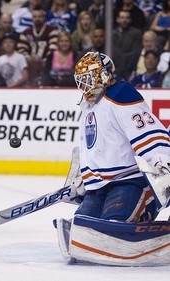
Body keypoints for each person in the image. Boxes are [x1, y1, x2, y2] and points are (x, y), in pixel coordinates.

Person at [55, 51, 170, 265]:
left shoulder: (120, 94)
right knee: (83, 225)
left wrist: (163, 163)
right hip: (99, 188)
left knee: (113, 224)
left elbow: (148, 133)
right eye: (81, 81)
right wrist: (83, 179)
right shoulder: (89, 107)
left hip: (130, 183)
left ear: (104, 76)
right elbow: (92, 149)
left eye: (88, 79)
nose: (84, 86)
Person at [17, 4, 58, 86]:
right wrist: (28, 58)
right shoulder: (26, 32)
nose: (37, 19)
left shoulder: (52, 31)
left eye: (40, 16)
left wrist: (44, 61)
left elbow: (53, 48)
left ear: (44, 17)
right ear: (32, 18)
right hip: (30, 64)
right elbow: (21, 48)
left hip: (47, 65)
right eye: (35, 17)